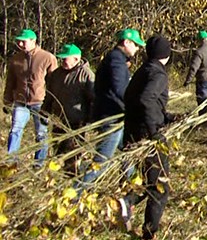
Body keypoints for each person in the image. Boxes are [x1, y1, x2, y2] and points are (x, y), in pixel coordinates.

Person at [117, 36, 177, 240]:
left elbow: (139, 101)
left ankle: (128, 201)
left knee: (145, 179)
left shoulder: (142, 71)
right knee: (160, 185)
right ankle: (149, 233)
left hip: (133, 132)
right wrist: (154, 131)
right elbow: (146, 99)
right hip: (147, 136)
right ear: (166, 55)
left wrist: (168, 117)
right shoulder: (158, 75)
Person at [79, 28, 145, 187]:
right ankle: (75, 194)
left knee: (128, 151)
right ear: (127, 42)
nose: (137, 49)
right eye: (135, 45)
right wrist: (135, 103)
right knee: (102, 161)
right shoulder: (116, 60)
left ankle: (130, 186)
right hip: (111, 116)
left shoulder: (115, 59)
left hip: (114, 114)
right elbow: (119, 89)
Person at [3, 28, 57, 164]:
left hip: (40, 102)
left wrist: (52, 104)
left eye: (23, 42)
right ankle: (11, 163)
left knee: (41, 134)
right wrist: (7, 100)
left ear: (33, 41)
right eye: (18, 42)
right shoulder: (16, 59)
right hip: (21, 102)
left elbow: (55, 83)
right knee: (15, 131)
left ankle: (39, 164)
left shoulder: (47, 58)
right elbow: (10, 82)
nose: (20, 44)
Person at [42, 44, 95, 174]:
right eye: (62, 59)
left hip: (76, 122)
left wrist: (91, 119)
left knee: (72, 154)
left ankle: (72, 179)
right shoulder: (56, 74)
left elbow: (94, 99)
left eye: (66, 59)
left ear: (76, 59)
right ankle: (59, 177)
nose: (63, 61)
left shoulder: (86, 74)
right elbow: (49, 95)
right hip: (59, 120)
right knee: (58, 152)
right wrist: (44, 111)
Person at [183, 30, 207, 114]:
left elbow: (194, 67)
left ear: (199, 40)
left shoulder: (199, 52)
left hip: (204, 80)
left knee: (202, 102)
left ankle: (202, 120)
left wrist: (188, 80)